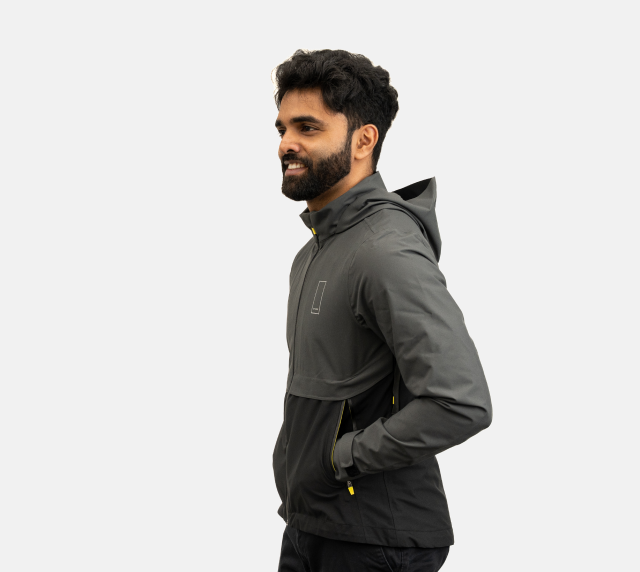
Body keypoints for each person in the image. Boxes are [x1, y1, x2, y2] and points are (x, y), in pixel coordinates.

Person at [272, 49, 493, 572]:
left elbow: (461, 401)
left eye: (307, 127)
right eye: (282, 128)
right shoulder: (315, 251)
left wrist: (339, 458)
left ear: (363, 140)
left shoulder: (385, 250)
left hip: (374, 541)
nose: (285, 144)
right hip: (312, 525)